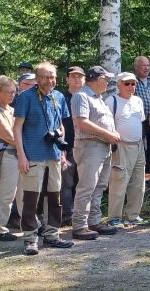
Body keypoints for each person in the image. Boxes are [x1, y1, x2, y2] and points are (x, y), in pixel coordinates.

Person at [13, 61, 75, 255]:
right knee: (31, 198)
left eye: (53, 77)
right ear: (37, 79)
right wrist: (21, 156)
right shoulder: (25, 97)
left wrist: (63, 152)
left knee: (55, 197)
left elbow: (61, 126)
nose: (50, 81)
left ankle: (52, 235)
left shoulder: (59, 97)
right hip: (33, 154)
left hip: (54, 155)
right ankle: (30, 238)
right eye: (46, 77)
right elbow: (17, 128)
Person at [69, 66, 119, 240]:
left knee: (99, 186)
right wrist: (109, 134)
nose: (108, 83)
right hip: (89, 146)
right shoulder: (81, 96)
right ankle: (79, 225)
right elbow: (82, 122)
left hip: (102, 147)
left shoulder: (99, 98)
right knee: (87, 186)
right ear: (99, 79)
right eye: (107, 79)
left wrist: (111, 134)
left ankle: (94, 221)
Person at [105, 72, 147, 227]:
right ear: (118, 84)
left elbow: (140, 122)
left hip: (138, 145)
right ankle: (114, 218)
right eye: (127, 83)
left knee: (138, 182)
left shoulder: (138, 101)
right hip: (121, 146)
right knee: (119, 181)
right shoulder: (111, 100)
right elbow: (106, 124)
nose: (131, 87)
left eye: (133, 84)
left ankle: (133, 215)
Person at [0, 76, 22, 241]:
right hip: (6, 155)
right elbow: (8, 136)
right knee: (6, 193)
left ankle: (29, 223)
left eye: (14, 92)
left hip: (17, 154)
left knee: (22, 193)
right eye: (8, 92)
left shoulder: (11, 110)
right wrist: (26, 147)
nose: (12, 95)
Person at [60, 66, 85, 226]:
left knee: (83, 182)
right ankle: (67, 215)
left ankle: (81, 214)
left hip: (86, 146)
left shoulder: (89, 97)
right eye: (73, 76)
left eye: (80, 76)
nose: (76, 79)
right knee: (66, 183)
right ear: (67, 79)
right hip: (67, 147)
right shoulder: (61, 97)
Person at [134, 56, 150, 181]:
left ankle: (147, 176)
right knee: (138, 147)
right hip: (139, 121)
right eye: (143, 65)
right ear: (136, 67)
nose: (146, 68)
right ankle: (137, 176)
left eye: (148, 65)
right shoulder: (132, 81)